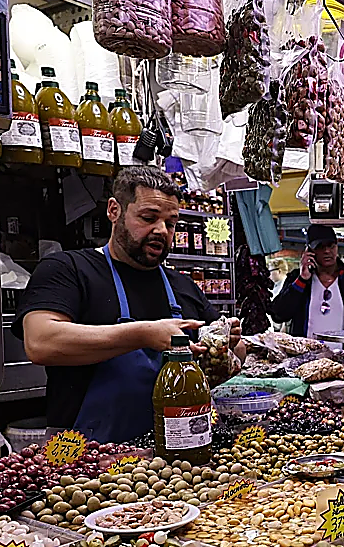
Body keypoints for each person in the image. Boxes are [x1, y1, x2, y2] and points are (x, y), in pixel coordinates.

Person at [17, 166, 240, 443]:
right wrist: (143, 334)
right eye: (148, 218)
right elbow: (41, 342)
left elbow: (230, 355)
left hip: (176, 453)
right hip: (82, 459)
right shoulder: (69, 269)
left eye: (171, 223)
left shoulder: (183, 287)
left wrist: (227, 342)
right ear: (114, 210)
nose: (161, 230)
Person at [268, 224, 344, 347]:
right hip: (306, 360)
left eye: (331, 246)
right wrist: (302, 280)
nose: (327, 251)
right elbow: (278, 314)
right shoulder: (297, 278)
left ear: (336, 247)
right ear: (309, 251)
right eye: (320, 247)